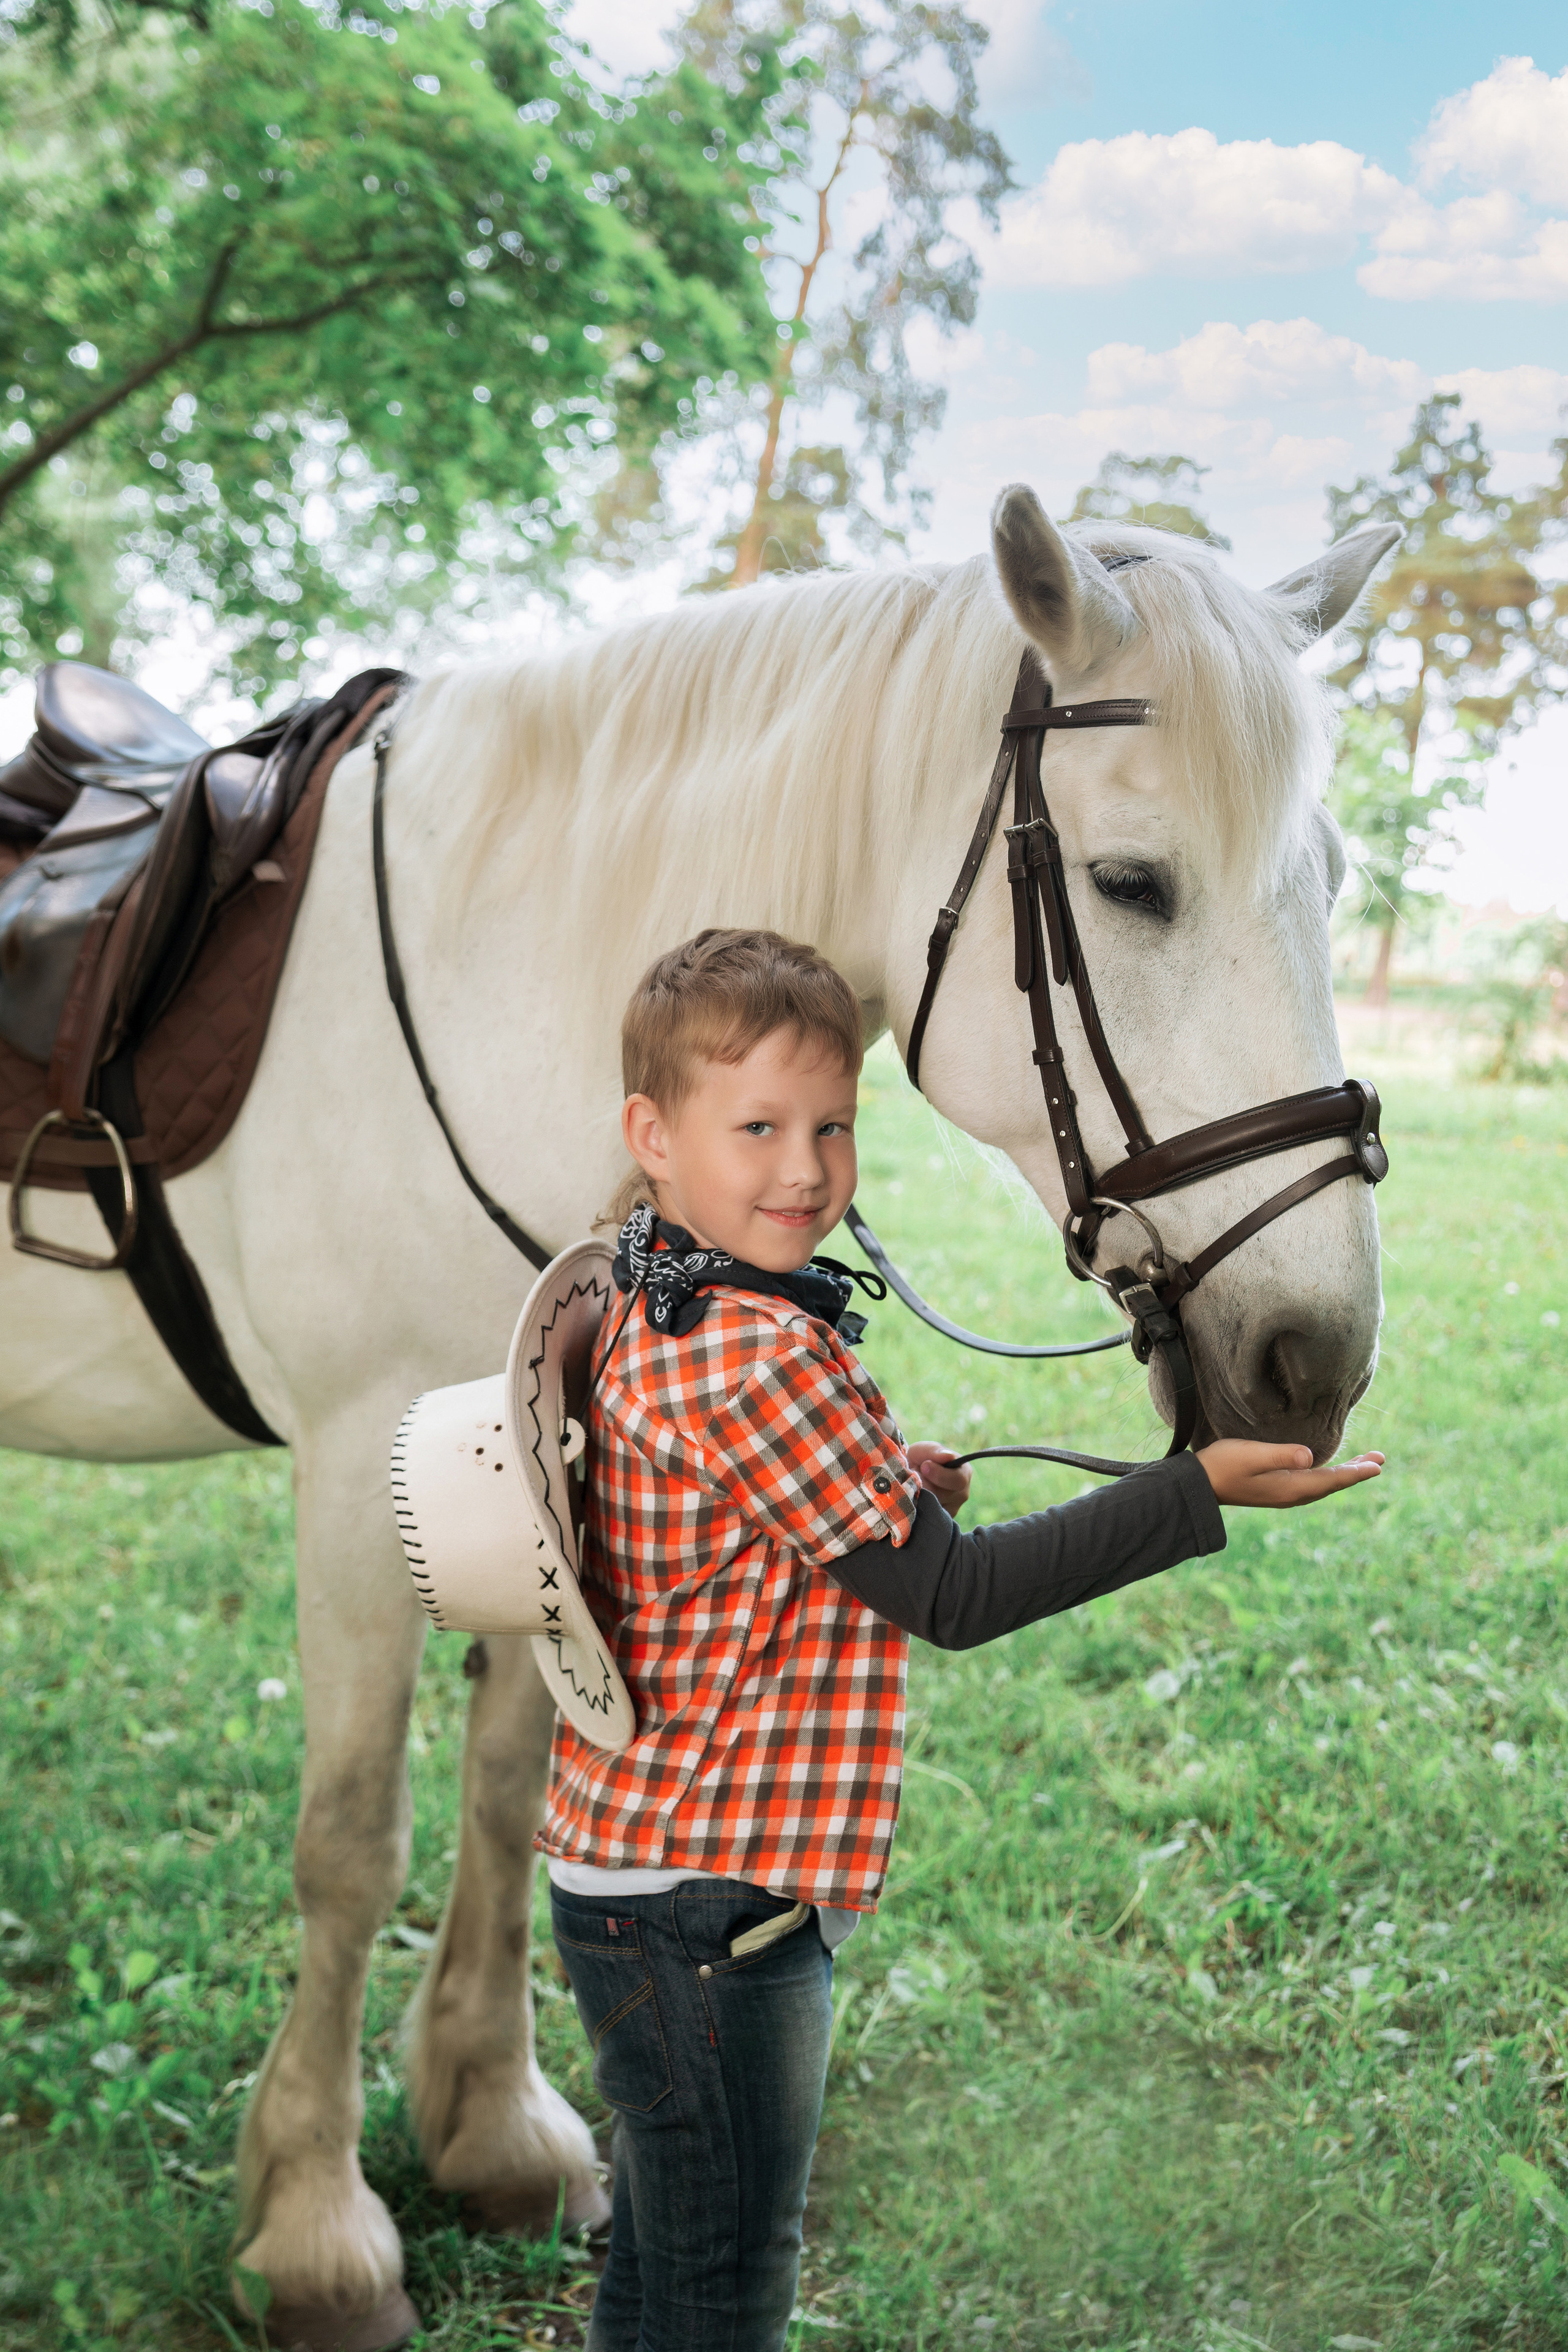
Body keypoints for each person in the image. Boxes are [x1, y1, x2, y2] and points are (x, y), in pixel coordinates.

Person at [540, 928, 1384, 2352]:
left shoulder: (661, 1290)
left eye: (832, 1127)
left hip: (639, 1872)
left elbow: (721, 1514)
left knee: (675, 2244)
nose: (802, 1169)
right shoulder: (749, 1350)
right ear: (654, 1134)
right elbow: (954, 1597)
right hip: (711, 1909)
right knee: (724, 2280)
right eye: (755, 1127)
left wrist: (874, 1488)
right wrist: (1189, 1489)